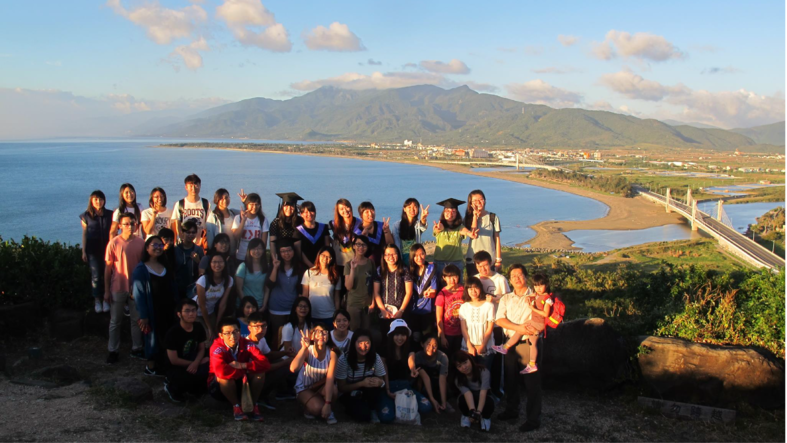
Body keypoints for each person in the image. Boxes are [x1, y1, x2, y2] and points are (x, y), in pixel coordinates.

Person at [494, 264, 542, 432]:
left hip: (528, 343)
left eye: (520, 275)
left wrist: (522, 330)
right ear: (510, 279)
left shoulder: (536, 296)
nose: (516, 278)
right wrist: (519, 328)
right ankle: (512, 410)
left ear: (526, 277)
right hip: (509, 343)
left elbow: (538, 320)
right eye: (513, 276)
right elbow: (500, 320)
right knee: (510, 379)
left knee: (531, 382)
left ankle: (533, 419)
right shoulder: (506, 298)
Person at [208, 317, 270, 422]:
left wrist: (243, 365)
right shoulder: (216, 347)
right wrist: (244, 372)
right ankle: (236, 407)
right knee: (224, 378)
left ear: (240, 331)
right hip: (219, 387)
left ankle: (253, 405)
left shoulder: (247, 343)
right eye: (227, 333)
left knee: (260, 374)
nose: (232, 336)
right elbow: (221, 371)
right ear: (221, 335)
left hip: (242, 382)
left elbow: (265, 364)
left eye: (235, 331)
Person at [133, 235, 178, 376]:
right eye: (155, 245)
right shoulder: (141, 269)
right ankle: (151, 367)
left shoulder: (165, 266)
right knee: (153, 339)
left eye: (161, 245)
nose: (159, 248)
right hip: (153, 310)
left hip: (169, 309)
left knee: (168, 336)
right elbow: (139, 294)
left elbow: (173, 287)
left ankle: (165, 365)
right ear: (147, 248)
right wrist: (143, 315)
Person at [104, 212, 145, 364]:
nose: (130, 226)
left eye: (132, 223)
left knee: (136, 320)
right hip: (118, 286)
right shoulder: (113, 243)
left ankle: (137, 348)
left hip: (136, 288)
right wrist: (106, 290)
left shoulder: (141, 243)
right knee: (115, 321)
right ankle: (113, 350)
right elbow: (108, 268)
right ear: (120, 225)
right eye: (126, 224)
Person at [493, 273, 553, 375]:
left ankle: (508, 348)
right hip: (531, 325)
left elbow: (545, 314)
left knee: (531, 341)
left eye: (541, 285)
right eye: (536, 286)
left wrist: (532, 308)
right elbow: (498, 320)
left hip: (536, 325)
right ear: (510, 280)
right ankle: (508, 348)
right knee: (523, 331)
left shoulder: (547, 298)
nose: (538, 288)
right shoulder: (508, 297)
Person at [379, 320, 433, 420]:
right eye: (397, 334)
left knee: (426, 406)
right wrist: (387, 390)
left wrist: (413, 369)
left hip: (405, 387)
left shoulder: (409, 348)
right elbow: (383, 370)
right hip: (389, 387)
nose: (400, 338)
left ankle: (400, 406)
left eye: (403, 335)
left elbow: (411, 360)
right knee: (386, 417)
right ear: (391, 335)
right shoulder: (384, 349)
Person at [335, 330, 389, 423]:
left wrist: (380, 383)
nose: (363, 347)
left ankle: (372, 409)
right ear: (354, 343)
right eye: (360, 343)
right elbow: (341, 388)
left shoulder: (375, 357)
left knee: (373, 388)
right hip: (349, 393)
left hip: (368, 391)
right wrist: (361, 383)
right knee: (363, 416)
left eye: (367, 343)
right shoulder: (344, 359)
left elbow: (382, 381)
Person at [290, 323, 339, 424]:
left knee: (334, 389)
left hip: (321, 386)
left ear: (328, 336)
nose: (321, 335)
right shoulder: (308, 350)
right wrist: (303, 348)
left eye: (324, 333)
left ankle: (329, 410)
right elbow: (293, 368)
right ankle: (309, 406)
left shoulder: (332, 353)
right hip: (305, 387)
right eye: (317, 332)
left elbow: (330, 378)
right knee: (317, 408)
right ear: (312, 336)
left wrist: (328, 403)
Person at [164, 299, 209, 402]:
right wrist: (195, 363)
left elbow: (202, 348)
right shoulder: (172, 333)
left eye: (193, 310)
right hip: (177, 365)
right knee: (184, 380)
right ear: (179, 314)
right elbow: (174, 360)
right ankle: (170, 386)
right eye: (187, 311)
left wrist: (196, 362)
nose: (191, 314)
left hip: (195, 359)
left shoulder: (198, 327)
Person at [245, 312, 291, 410]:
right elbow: (264, 367)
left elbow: (269, 354)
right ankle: (257, 399)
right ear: (249, 328)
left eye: (263, 326)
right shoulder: (247, 344)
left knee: (280, 361)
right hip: (250, 379)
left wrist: (285, 353)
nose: (261, 329)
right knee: (282, 367)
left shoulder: (262, 339)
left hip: (261, 371)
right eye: (257, 326)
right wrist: (285, 362)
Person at [372, 244, 412, 351]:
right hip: (385, 312)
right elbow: (376, 292)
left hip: (400, 312)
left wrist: (401, 311)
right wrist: (383, 310)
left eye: (394, 254)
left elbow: (409, 292)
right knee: (386, 340)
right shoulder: (380, 270)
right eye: (388, 254)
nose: (391, 257)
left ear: (398, 255)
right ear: (384, 257)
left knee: (401, 340)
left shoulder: (404, 270)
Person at [81, 190, 113, 313]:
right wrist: (83, 251)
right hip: (92, 250)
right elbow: (84, 234)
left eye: (100, 199)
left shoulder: (110, 214)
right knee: (96, 276)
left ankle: (107, 300)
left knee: (108, 275)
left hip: (107, 249)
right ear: (91, 201)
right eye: (96, 199)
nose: (98, 202)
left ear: (104, 200)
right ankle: (97, 300)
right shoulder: (86, 216)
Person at [266, 240, 302, 348]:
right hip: (277, 309)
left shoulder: (299, 267)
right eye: (283, 251)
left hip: (292, 309)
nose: (286, 253)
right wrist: (275, 267)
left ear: (293, 251)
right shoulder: (274, 266)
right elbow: (270, 284)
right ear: (279, 253)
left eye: (289, 250)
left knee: (292, 337)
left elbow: (300, 289)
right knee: (277, 338)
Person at [433, 198, 477, 283]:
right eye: (447, 211)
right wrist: (439, 228)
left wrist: (470, 233)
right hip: (439, 263)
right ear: (443, 213)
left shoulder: (460, 227)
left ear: (457, 214)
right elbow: (437, 230)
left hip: (456, 263)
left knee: (457, 287)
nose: (450, 214)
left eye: (453, 211)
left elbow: (466, 231)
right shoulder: (439, 226)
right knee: (439, 287)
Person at [459, 277, 495, 371]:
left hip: (485, 346)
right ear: (467, 290)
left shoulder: (489, 305)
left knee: (485, 372)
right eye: (470, 288)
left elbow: (490, 328)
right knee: (470, 373)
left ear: (480, 288)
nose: (473, 291)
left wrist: (483, 345)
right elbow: (464, 329)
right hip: (468, 347)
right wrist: (469, 346)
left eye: (476, 288)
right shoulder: (464, 307)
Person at [194, 254, 233, 341]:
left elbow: (222, 304)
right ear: (210, 264)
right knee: (208, 337)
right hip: (197, 313)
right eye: (214, 262)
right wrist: (209, 327)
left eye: (220, 262)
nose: (217, 264)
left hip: (211, 312)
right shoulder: (203, 280)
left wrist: (217, 324)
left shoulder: (229, 280)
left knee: (217, 336)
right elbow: (202, 305)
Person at [464, 190, 502, 276]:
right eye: (475, 200)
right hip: (473, 260)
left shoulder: (493, 217)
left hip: (489, 260)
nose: (478, 202)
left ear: (485, 201)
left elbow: (497, 239)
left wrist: (498, 260)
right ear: (470, 203)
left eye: (481, 199)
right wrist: (475, 216)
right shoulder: (467, 218)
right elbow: (473, 234)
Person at [454, 350, 494, 432]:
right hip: (469, 398)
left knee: (489, 402)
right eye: (459, 366)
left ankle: (485, 417)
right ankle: (466, 415)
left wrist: (478, 412)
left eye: (465, 362)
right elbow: (467, 393)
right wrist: (472, 412)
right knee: (461, 400)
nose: (464, 367)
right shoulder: (458, 379)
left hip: (482, 396)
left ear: (470, 359)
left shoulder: (483, 371)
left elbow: (483, 393)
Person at [302, 246, 341, 326]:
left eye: (328, 257)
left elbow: (337, 298)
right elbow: (305, 295)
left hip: (330, 315)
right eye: (323, 255)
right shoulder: (309, 272)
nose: (325, 259)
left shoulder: (335, 276)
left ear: (332, 259)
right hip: (312, 314)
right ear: (319, 256)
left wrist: (337, 314)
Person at [408, 243, 438, 345]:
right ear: (412, 257)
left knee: (427, 339)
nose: (419, 258)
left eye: (422, 254)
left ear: (425, 254)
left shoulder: (431, 269)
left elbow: (434, 291)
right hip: (413, 311)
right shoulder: (409, 271)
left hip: (427, 311)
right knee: (415, 338)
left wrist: (430, 294)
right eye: (416, 255)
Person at [344, 235, 375, 331]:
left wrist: (373, 302)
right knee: (354, 331)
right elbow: (348, 287)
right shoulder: (348, 265)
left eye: (364, 245)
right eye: (358, 244)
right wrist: (353, 269)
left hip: (367, 304)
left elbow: (374, 284)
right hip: (354, 304)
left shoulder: (370, 263)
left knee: (367, 331)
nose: (361, 247)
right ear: (353, 246)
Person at [413, 334, 451, 414]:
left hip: (437, 382)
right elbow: (425, 377)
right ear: (422, 344)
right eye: (428, 344)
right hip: (424, 383)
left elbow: (442, 379)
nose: (431, 348)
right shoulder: (418, 356)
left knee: (446, 389)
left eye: (435, 345)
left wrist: (443, 402)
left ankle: (443, 403)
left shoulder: (443, 357)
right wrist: (432, 398)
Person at [171, 174, 210, 248]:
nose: (193, 188)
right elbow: (177, 225)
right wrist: (181, 239)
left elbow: (209, 224)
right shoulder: (180, 204)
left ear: (200, 186)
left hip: (200, 244)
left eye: (196, 185)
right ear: (186, 187)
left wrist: (204, 241)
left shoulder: (206, 203)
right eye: (191, 186)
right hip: (184, 244)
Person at [328, 198, 357, 301]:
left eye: (347, 207)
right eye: (341, 209)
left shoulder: (358, 223)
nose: (345, 210)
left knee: (352, 289)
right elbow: (323, 233)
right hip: (338, 262)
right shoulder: (333, 224)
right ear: (338, 211)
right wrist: (332, 242)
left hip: (353, 262)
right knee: (339, 290)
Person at [435, 264, 465, 360]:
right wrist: (442, 337)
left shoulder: (464, 290)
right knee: (447, 359)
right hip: (448, 334)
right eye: (449, 277)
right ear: (444, 278)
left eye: (455, 276)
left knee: (460, 358)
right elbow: (439, 318)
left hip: (462, 332)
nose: (452, 280)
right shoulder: (442, 294)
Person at [232, 191, 269, 264]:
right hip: (241, 256)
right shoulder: (238, 218)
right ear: (247, 205)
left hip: (256, 257)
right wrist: (243, 221)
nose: (254, 207)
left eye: (257, 204)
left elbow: (263, 243)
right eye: (251, 204)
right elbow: (236, 236)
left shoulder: (263, 220)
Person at [352, 201, 394, 266]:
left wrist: (387, 231)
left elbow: (390, 245)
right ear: (361, 215)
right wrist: (362, 238)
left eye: (372, 210)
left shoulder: (382, 226)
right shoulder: (357, 232)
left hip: (384, 264)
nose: (370, 214)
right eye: (366, 212)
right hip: (367, 266)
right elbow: (357, 254)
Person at [390, 198, 428, 265]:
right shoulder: (397, 225)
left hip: (415, 257)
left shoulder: (417, 224)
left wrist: (423, 219)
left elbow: (423, 227)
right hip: (402, 257)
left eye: (415, 207)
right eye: (409, 207)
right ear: (404, 209)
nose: (412, 209)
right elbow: (395, 242)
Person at [294, 201, 331, 268]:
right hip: (305, 266)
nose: (309, 214)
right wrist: (311, 265)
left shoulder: (323, 227)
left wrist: (322, 263)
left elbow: (327, 247)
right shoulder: (298, 231)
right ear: (301, 214)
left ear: (315, 212)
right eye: (305, 212)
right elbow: (299, 252)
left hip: (323, 264)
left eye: (311, 211)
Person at [174, 220, 204, 301]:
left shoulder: (198, 250)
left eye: (193, 232)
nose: (191, 235)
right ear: (182, 232)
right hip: (178, 287)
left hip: (192, 287)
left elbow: (203, 271)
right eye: (188, 232)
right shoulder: (175, 250)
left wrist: (198, 261)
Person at [235, 238, 268, 310]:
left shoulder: (266, 267)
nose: (256, 251)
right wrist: (248, 305)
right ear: (249, 250)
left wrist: (264, 305)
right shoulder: (243, 266)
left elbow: (267, 290)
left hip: (259, 306)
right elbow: (238, 289)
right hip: (244, 307)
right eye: (253, 248)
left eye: (259, 248)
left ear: (263, 250)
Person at [270, 192, 303, 262]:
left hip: (295, 257)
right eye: (286, 206)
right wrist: (274, 259)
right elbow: (272, 243)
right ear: (282, 207)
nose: (289, 209)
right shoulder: (276, 222)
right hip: (280, 256)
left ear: (295, 207)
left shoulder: (300, 221)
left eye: (292, 206)